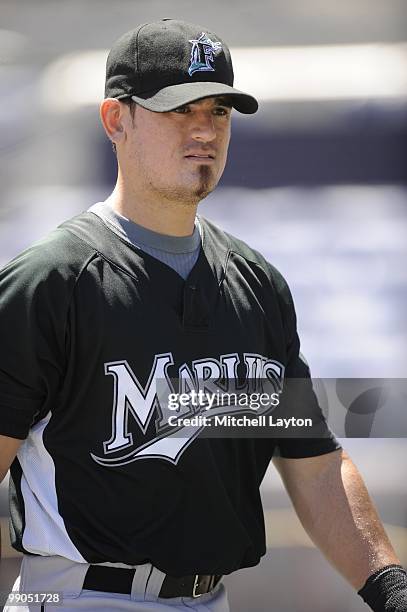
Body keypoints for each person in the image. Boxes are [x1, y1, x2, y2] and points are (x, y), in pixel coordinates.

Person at [0, 18, 406, 612]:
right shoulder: (52, 282)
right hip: (80, 596)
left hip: (210, 599)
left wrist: (390, 588)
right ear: (117, 120)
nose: (203, 129)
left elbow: (315, 468)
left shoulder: (257, 284)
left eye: (218, 111)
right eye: (178, 109)